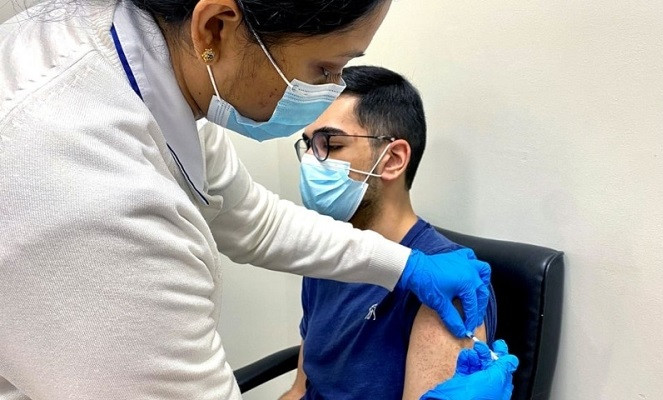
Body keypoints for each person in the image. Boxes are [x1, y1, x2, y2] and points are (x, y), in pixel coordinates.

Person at [0, 0, 492, 398]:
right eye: (323, 68)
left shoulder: (160, 93)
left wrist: (403, 266)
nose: (324, 91)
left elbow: (253, 220)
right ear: (214, 28)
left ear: (393, 158)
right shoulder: (93, 194)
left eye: (332, 144)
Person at [281, 66, 499, 400]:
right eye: (309, 145)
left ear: (393, 159)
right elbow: (300, 390)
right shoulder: (327, 253)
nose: (311, 161)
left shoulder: (448, 287)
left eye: (331, 145)